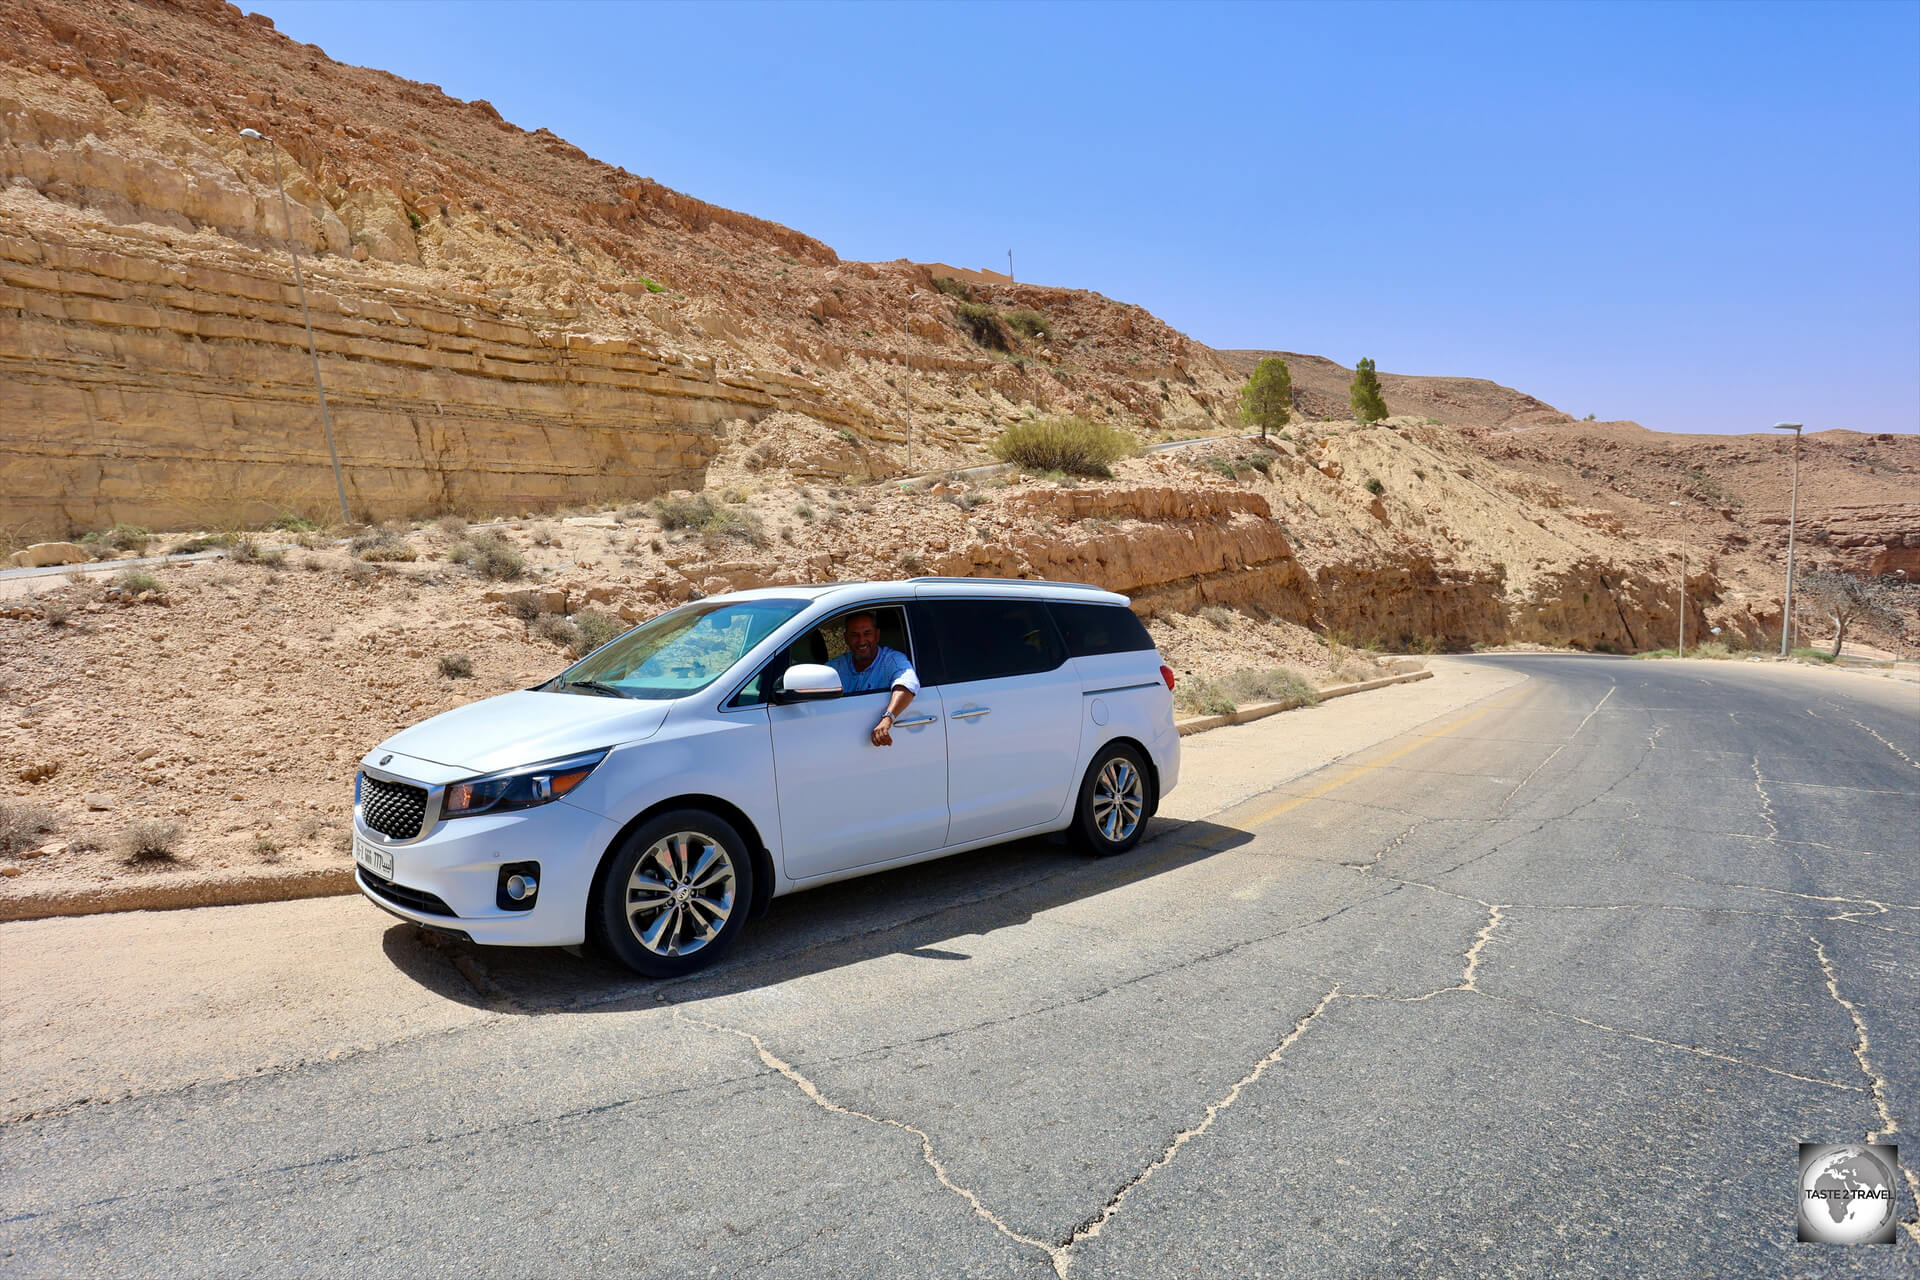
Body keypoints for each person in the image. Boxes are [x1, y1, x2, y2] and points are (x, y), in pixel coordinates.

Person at [825, 612, 920, 746]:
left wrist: (887, 719)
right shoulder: (836, 667)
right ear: (845, 638)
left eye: (867, 633)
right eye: (854, 635)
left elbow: (907, 685)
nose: (862, 641)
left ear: (877, 635)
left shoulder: (893, 660)